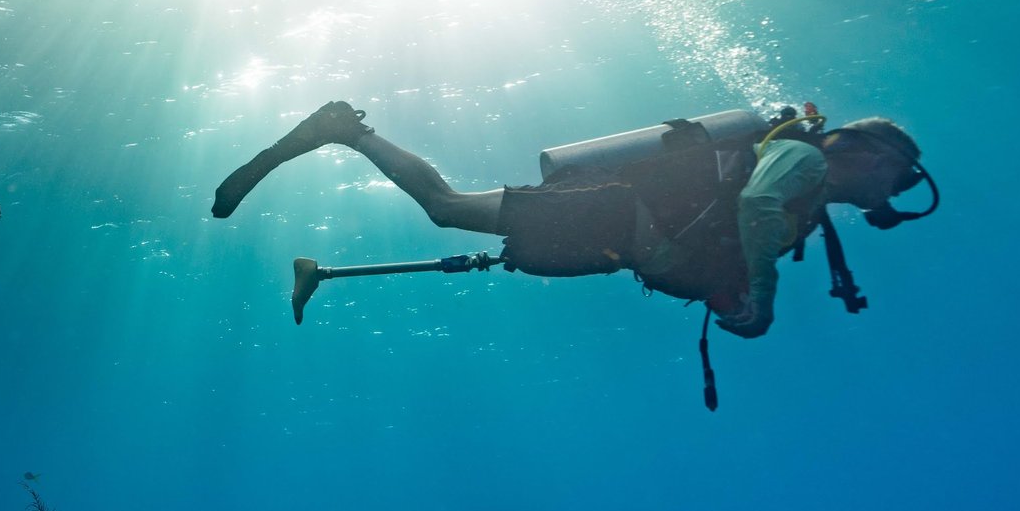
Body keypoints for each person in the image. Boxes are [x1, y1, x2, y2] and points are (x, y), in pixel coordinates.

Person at [211, 100, 932, 336]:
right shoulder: (803, 167)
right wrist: (762, 304)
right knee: (447, 209)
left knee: (453, 216)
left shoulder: (814, 206)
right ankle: (347, 128)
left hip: (619, 229)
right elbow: (753, 203)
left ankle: (347, 131)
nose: (889, 198)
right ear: (871, 156)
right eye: (896, 178)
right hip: (616, 216)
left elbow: (730, 235)